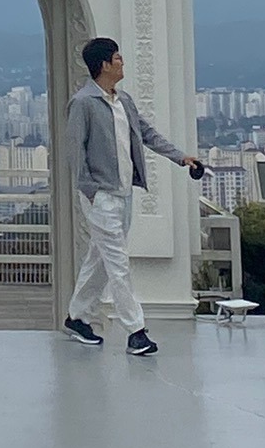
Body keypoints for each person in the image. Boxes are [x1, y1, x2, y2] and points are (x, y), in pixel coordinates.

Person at [59, 35, 204, 358]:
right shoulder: (83, 103)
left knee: (99, 259)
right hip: (101, 197)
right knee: (118, 262)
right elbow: (75, 152)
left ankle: (77, 317)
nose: (122, 62)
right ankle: (136, 331)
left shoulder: (123, 101)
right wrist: (91, 191)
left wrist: (182, 158)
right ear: (104, 65)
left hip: (124, 193)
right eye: (117, 58)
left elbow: (147, 134)